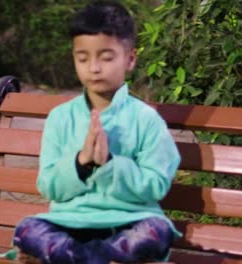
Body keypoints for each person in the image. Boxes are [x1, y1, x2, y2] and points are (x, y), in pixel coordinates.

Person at [11, 1, 181, 263]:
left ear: (130, 59)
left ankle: (74, 258)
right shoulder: (60, 118)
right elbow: (49, 187)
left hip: (129, 221)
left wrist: (110, 164)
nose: (94, 68)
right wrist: (81, 163)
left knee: (156, 232)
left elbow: (156, 186)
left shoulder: (146, 120)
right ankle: (101, 257)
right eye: (83, 58)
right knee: (26, 229)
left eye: (106, 57)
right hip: (70, 222)